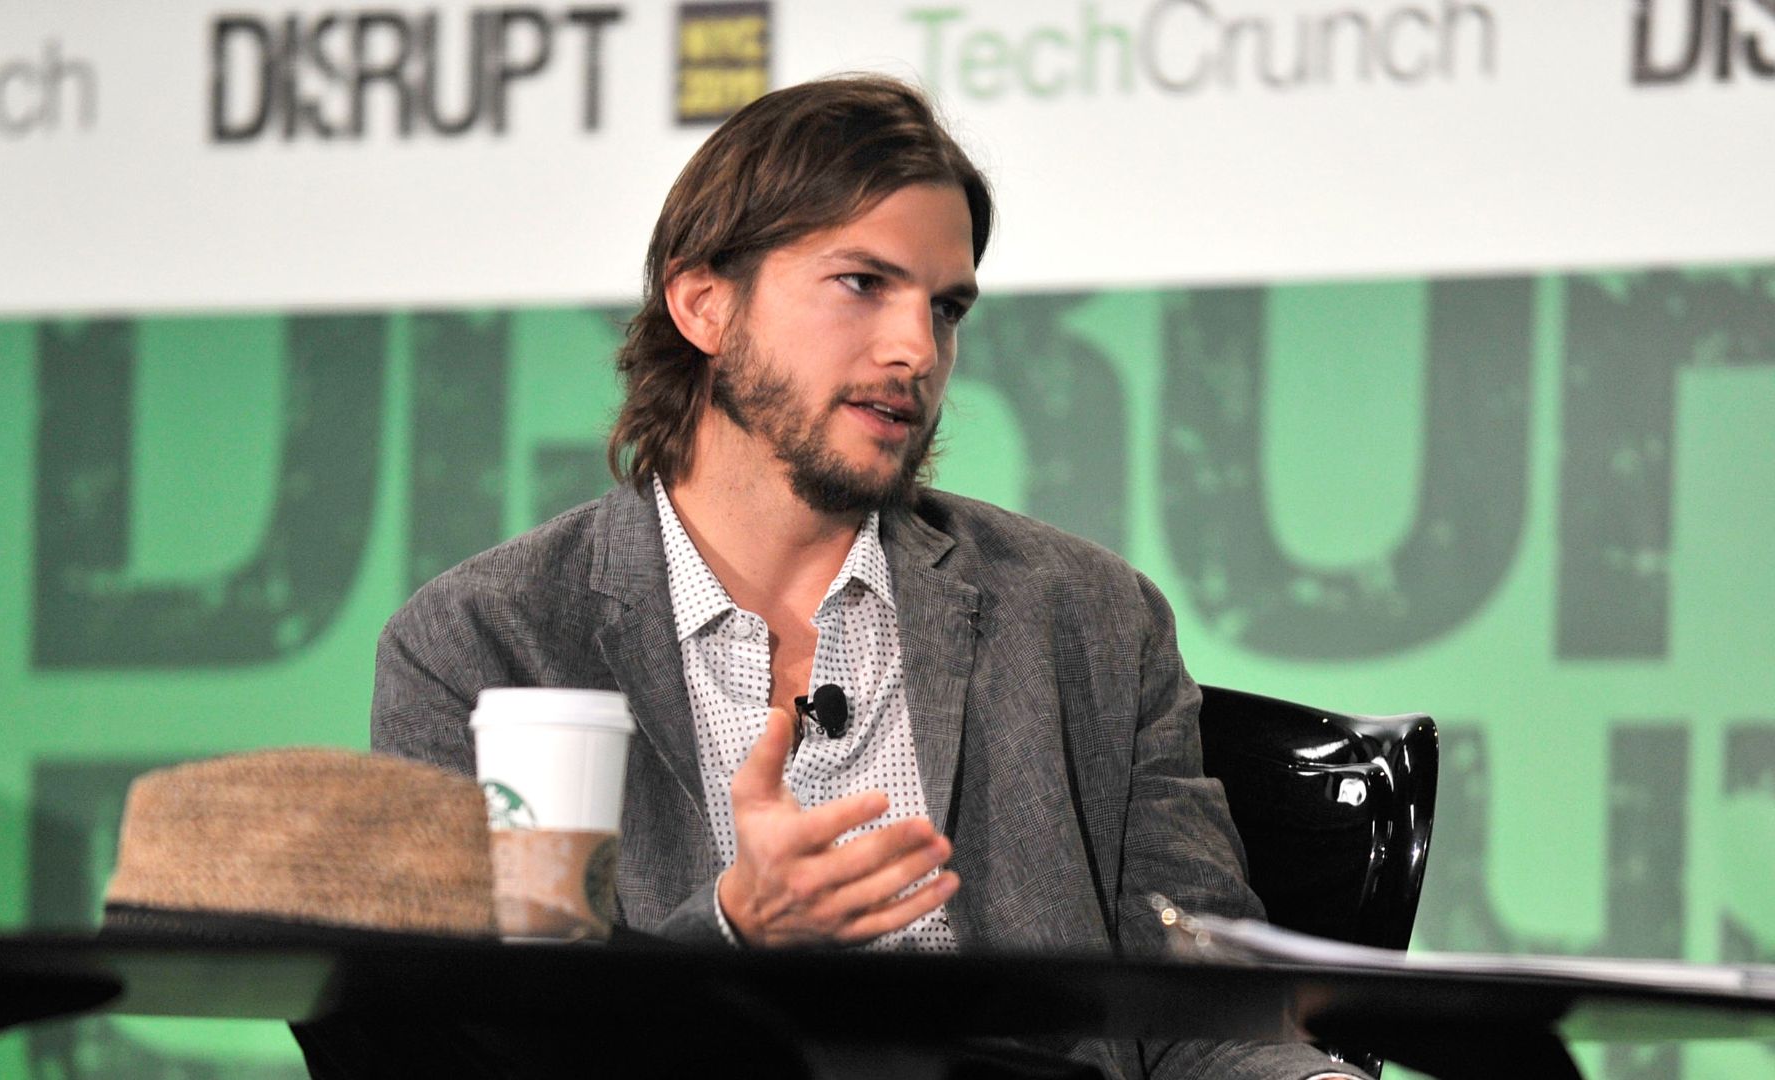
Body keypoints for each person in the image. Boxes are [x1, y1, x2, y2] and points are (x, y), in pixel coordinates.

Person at [372, 74, 1364, 1080]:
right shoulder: (484, 642)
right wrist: (731, 933)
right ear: (705, 302)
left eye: (946, 309)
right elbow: (466, 1042)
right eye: (862, 284)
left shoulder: (1091, 617)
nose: (915, 351)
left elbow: (1210, 1014)